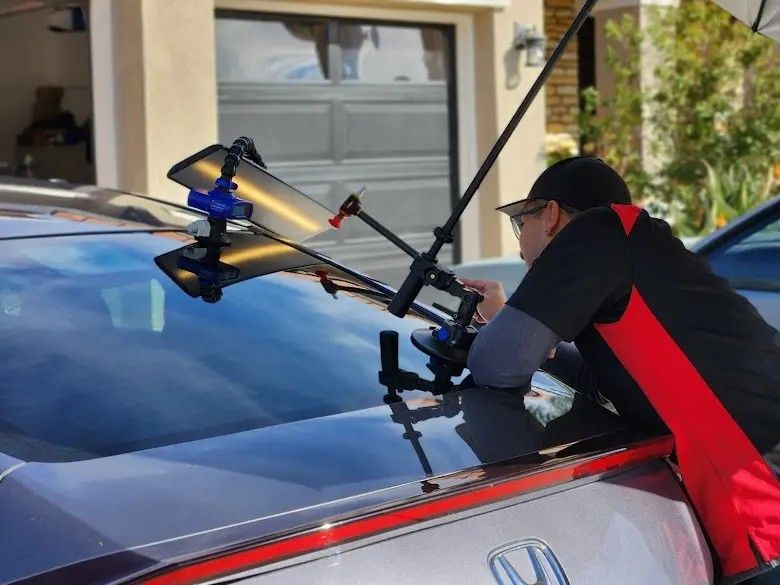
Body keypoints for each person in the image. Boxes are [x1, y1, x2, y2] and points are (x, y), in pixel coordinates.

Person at [463, 156, 780, 584]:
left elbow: (495, 366)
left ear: (551, 215)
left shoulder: (595, 232)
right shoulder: (643, 254)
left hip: (757, 511)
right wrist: (520, 330)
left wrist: (507, 333)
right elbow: (612, 382)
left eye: (524, 225)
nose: (521, 247)